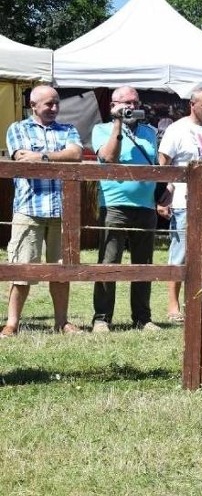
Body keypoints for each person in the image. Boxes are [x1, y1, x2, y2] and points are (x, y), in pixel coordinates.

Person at [2, 85, 84, 338]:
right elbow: (20, 157)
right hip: (29, 208)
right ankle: (12, 323)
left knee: (62, 269)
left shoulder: (68, 129)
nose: (54, 108)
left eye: (57, 103)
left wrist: (43, 157)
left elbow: (76, 153)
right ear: (33, 105)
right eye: (48, 104)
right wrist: (57, 156)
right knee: (22, 269)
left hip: (62, 208)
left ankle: (62, 321)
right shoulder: (17, 128)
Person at [90, 86, 163, 333]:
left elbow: (156, 166)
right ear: (113, 105)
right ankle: (102, 318)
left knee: (144, 265)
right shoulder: (101, 129)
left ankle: (143, 317)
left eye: (134, 102)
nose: (132, 107)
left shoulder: (149, 132)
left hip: (145, 205)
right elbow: (109, 158)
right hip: (114, 204)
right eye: (126, 103)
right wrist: (118, 124)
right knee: (109, 262)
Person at [157, 88, 202, 324]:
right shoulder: (177, 129)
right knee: (181, 252)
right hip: (184, 201)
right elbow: (164, 163)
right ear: (192, 105)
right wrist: (165, 194)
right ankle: (173, 303)